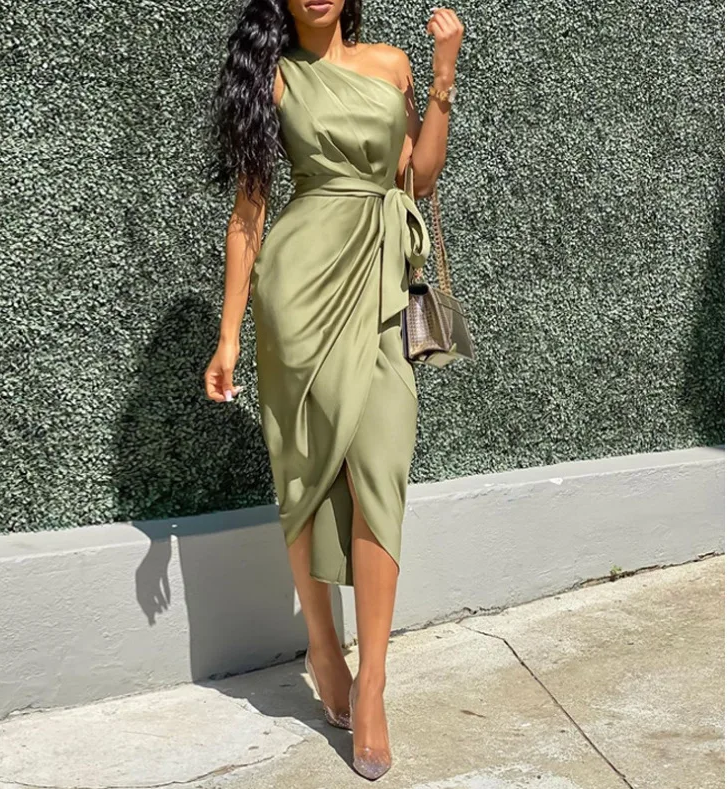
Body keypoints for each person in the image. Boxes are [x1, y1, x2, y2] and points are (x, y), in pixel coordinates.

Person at [205, 0, 464, 779]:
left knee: (378, 466)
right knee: (307, 468)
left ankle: (373, 679)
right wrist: (228, 335)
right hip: (301, 290)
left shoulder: (391, 64)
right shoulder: (272, 78)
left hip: (380, 280)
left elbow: (416, 177)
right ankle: (322, 644)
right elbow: (248, 214)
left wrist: (443, 73)